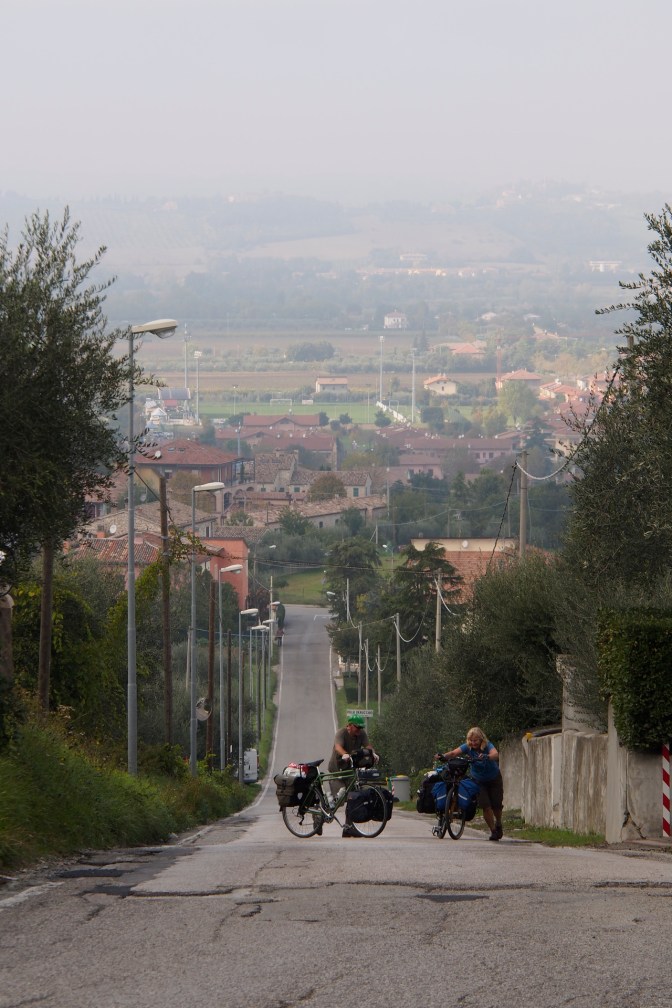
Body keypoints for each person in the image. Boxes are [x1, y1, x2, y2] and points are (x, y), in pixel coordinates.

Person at [436, 726, 504, 841]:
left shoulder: (487, 745)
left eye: (475, 740)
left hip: (494, 778)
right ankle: (493, 831)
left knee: (496, 806)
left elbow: (495, 754)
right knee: (486, 806)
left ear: (481, 739)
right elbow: (454, 753)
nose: (473, 743)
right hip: (478, 780)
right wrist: (443, 756)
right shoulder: (467, 747)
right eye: (471, 740)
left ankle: (499, 824)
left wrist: (487, 756)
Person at [328, 715, 379, 838]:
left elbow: (368, 746)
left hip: (350, 770)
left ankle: (348, 828)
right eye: (357, 727)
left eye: (361, 728)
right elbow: (338, 746)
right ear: (350, 725)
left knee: (353, 799)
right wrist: (344, 754)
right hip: (337, 770)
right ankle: (318, 815)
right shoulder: (341, 733)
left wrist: (373, 754)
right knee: (339, 798)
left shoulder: (361, 734)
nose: (359, 730)